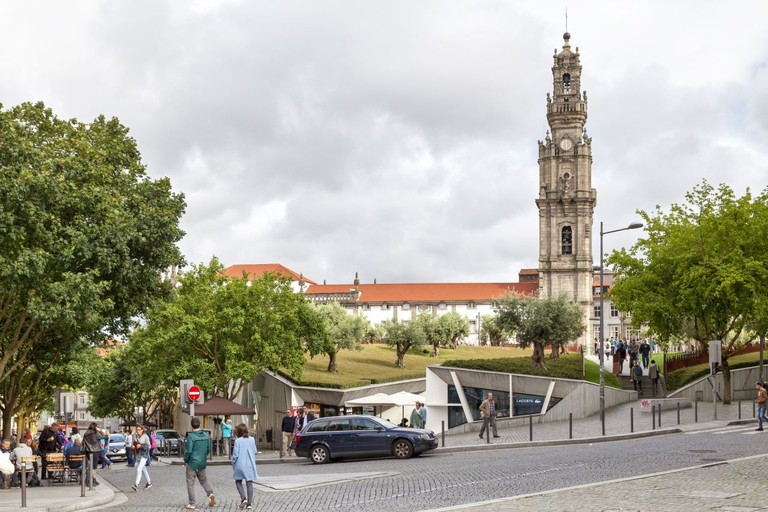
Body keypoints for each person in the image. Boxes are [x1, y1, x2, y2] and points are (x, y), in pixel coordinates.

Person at [183, 417, 215, 510]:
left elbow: (188, 450)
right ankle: (210, 493)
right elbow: (208, 449)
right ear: (200, 425)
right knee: (204, 480)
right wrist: (203, 457)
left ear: (191, 426)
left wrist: (186, 459)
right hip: (202, 462)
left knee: (190, 483)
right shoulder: (206, 436)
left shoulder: (191, 436)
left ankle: (192, 503)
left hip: (192, 462)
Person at [232, 423, 258, 509]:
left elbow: (235, 455)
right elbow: (254, 451)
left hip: (240, 463)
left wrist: (234, 464)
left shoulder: (237, 441)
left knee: (238, 481)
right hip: (250, 463)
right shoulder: (252, 439)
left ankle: (243, 498)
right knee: (249, 482)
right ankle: (249, 503)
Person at [131, 425, 152, 492]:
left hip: (144, 455)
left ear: (142, 430)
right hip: (138, 455)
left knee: (139, 469)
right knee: (143, 469)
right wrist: (133, 446)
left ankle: (136, 485)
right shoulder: (134, 436)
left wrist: (141, 445)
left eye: (139, 430)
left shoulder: (145, 437)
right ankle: (149, 482)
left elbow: (149, 446)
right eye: (137, 430)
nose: (138, 431)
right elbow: (132, 444)